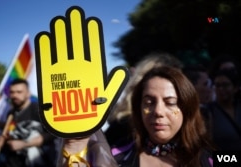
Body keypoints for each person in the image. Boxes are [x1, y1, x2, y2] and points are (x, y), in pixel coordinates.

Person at [59, 66, 213, 167]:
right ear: (138, 107)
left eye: (170, 102)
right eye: (149, 102)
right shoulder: (114, 157)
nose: (158, 111)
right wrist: (74, 146)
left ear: (187, 108)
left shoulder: (211, 160)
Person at [0, 78, 57, 167]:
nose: (15, 95)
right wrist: (3, 139)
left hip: (39, 162)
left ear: (28, 93)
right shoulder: (11, 113)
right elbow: (10, 133)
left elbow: (52, 134)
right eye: (12, 92)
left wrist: (24, 144)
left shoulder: (39, 110)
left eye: (19, 92)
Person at [206, 69, 241, 151]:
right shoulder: (209, 112)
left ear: (235, 88)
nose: (221, 89)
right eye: (217, 85)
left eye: (225, 85)